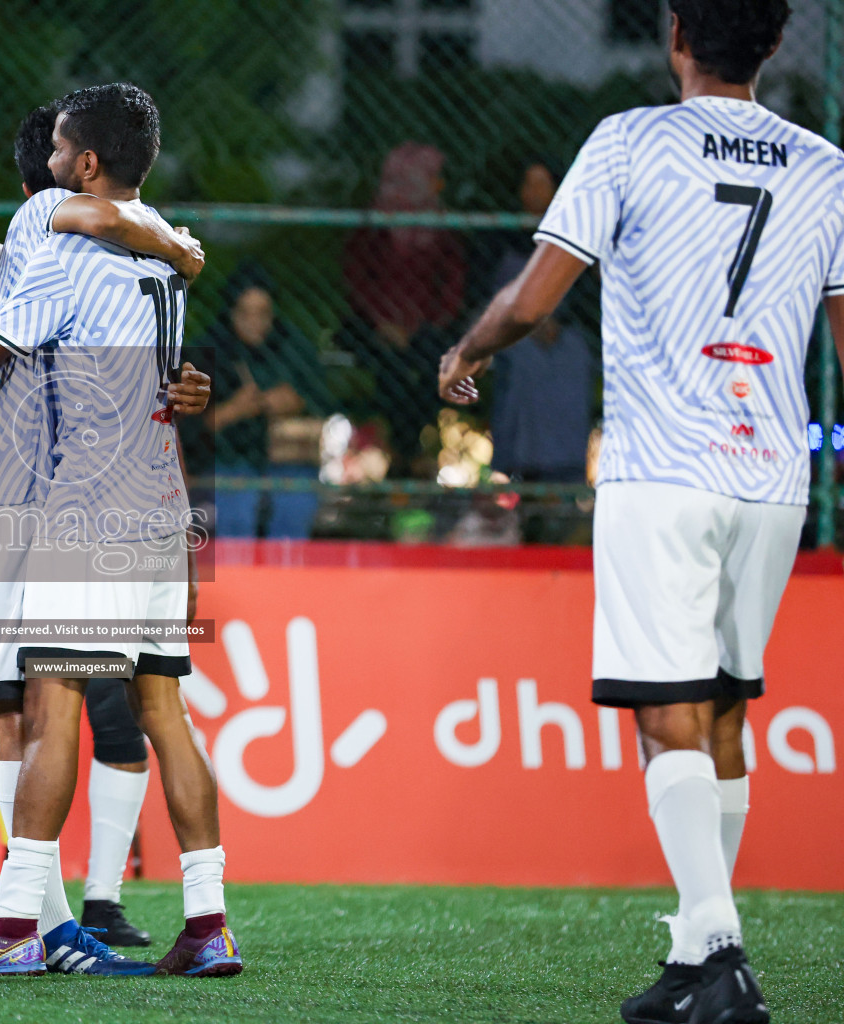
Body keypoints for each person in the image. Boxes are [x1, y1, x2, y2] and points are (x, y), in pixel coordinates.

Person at [437, 3, 820, 1021]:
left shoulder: (631, 139)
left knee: (669, 707)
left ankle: (721, 949)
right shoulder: (826, 163)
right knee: (727, 701)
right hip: (777, 472)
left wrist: (469, 351)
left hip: (665, 470)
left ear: (676, 37)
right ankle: (699, 955)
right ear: (776, 45)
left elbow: (533, 299)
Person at [0, 101, 208, 975]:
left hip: (57, 505)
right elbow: (162, 361)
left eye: (66, 146)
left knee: (26, 707)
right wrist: (175, 255)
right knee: (61, 708)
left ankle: (17, 921)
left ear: (77, 169)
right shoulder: (155, 245)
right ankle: (186, 918)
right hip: (153, 504)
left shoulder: (39, 248)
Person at [342, 142, 465, 474]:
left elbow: (452, 282)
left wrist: (426, 322)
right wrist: (383, 321)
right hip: (377, 326)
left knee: (430, 363)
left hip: (426, 328)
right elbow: (357, 277)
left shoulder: (440, 225)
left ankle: (411, 451)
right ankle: (399, 453)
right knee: (389, 366)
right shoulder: (376, 223)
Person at [487, 159, 598, 486]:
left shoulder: (576, 228)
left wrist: (557, 321)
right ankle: (520, 466)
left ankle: (567, 469)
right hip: (514, 330)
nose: (535, 193)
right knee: (524, 362)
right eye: (529, 184)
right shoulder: (503, 236)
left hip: (564, 330)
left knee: (573, 358)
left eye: (543, 184)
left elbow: (584, 295)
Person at [203, 264, 330, 538]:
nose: (255, 322)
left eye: (263, 314)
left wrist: (298, 401)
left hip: (287, 457)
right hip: (229, 456)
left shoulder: (291, 346)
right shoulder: (210, 348)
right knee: (236, 503)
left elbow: (325, 401)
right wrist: (231, 411)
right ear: (230, 312)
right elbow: (185, 429)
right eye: (245, 313)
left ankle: (286, 577)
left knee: (295, 502)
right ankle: (236, 580)